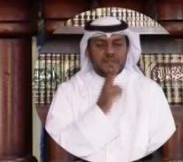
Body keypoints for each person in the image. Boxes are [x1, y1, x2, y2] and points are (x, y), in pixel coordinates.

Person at [45, 16, 176, 162]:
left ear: (128, 49)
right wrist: (101, 108)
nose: (109, 51)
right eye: (100, 44)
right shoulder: (68, 91)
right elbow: (60, 147)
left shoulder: (150, 91)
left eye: (117, 44)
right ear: (87, 50)